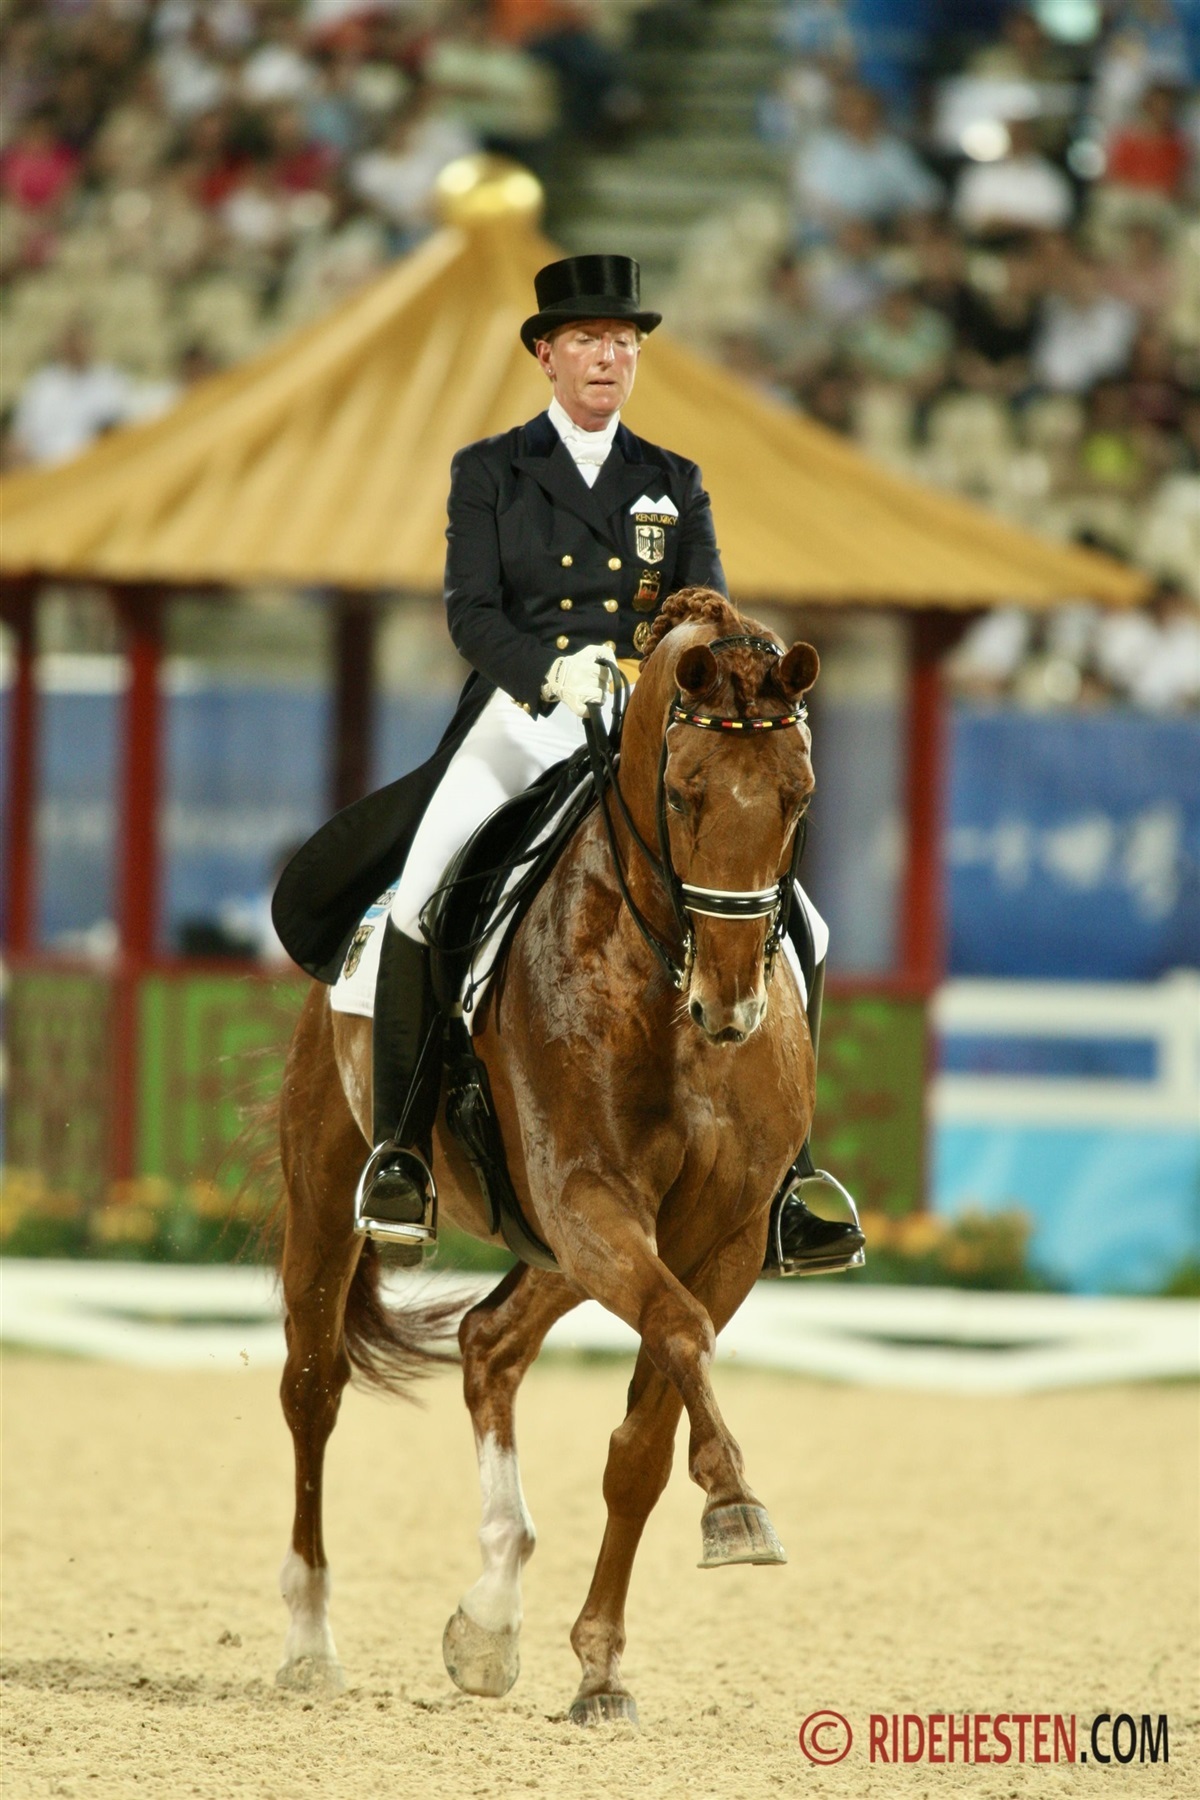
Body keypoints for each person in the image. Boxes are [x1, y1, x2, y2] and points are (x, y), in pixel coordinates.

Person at [273, 254, 863, 1277]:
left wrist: (695, 667)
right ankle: (402, 1155)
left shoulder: (673, 479)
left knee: (802, 920)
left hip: (644, 727)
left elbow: (708, 611)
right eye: (588, 341)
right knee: (422, 894)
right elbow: (471, 613)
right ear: (547, 355)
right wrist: (550, 670)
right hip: (523, 719)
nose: (608, 358)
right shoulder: (492, 471)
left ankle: (792, 1177)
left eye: (623, 343)